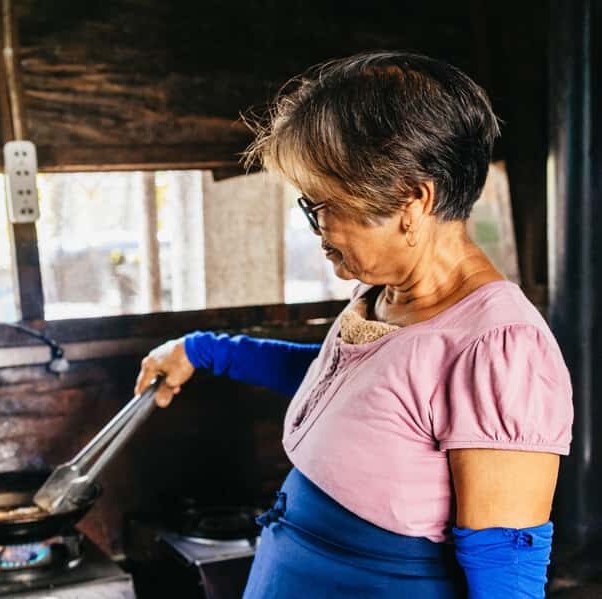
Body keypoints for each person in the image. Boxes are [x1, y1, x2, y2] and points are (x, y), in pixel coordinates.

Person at [133, 51, 573, 598]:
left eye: (325, 204)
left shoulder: (498, 347)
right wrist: (202, 350)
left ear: (413, 201)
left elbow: (506, 574)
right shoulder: (385, 295)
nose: (318, 228)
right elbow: (346, 392)